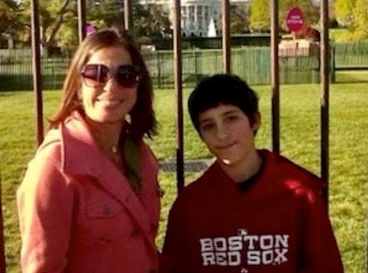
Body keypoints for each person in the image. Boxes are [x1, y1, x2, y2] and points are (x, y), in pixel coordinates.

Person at [160, 74, 344, 272]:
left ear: (254, 121)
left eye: (231, 118)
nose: (221, 134)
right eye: (208, 125)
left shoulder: (301, 195)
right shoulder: (189, 204)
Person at [17, 28, 161, 272]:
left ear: (139, 85)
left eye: (126, 75)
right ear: (78, 84)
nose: (111, 87)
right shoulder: (55, 164)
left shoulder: (138, 153)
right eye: (96, 75)